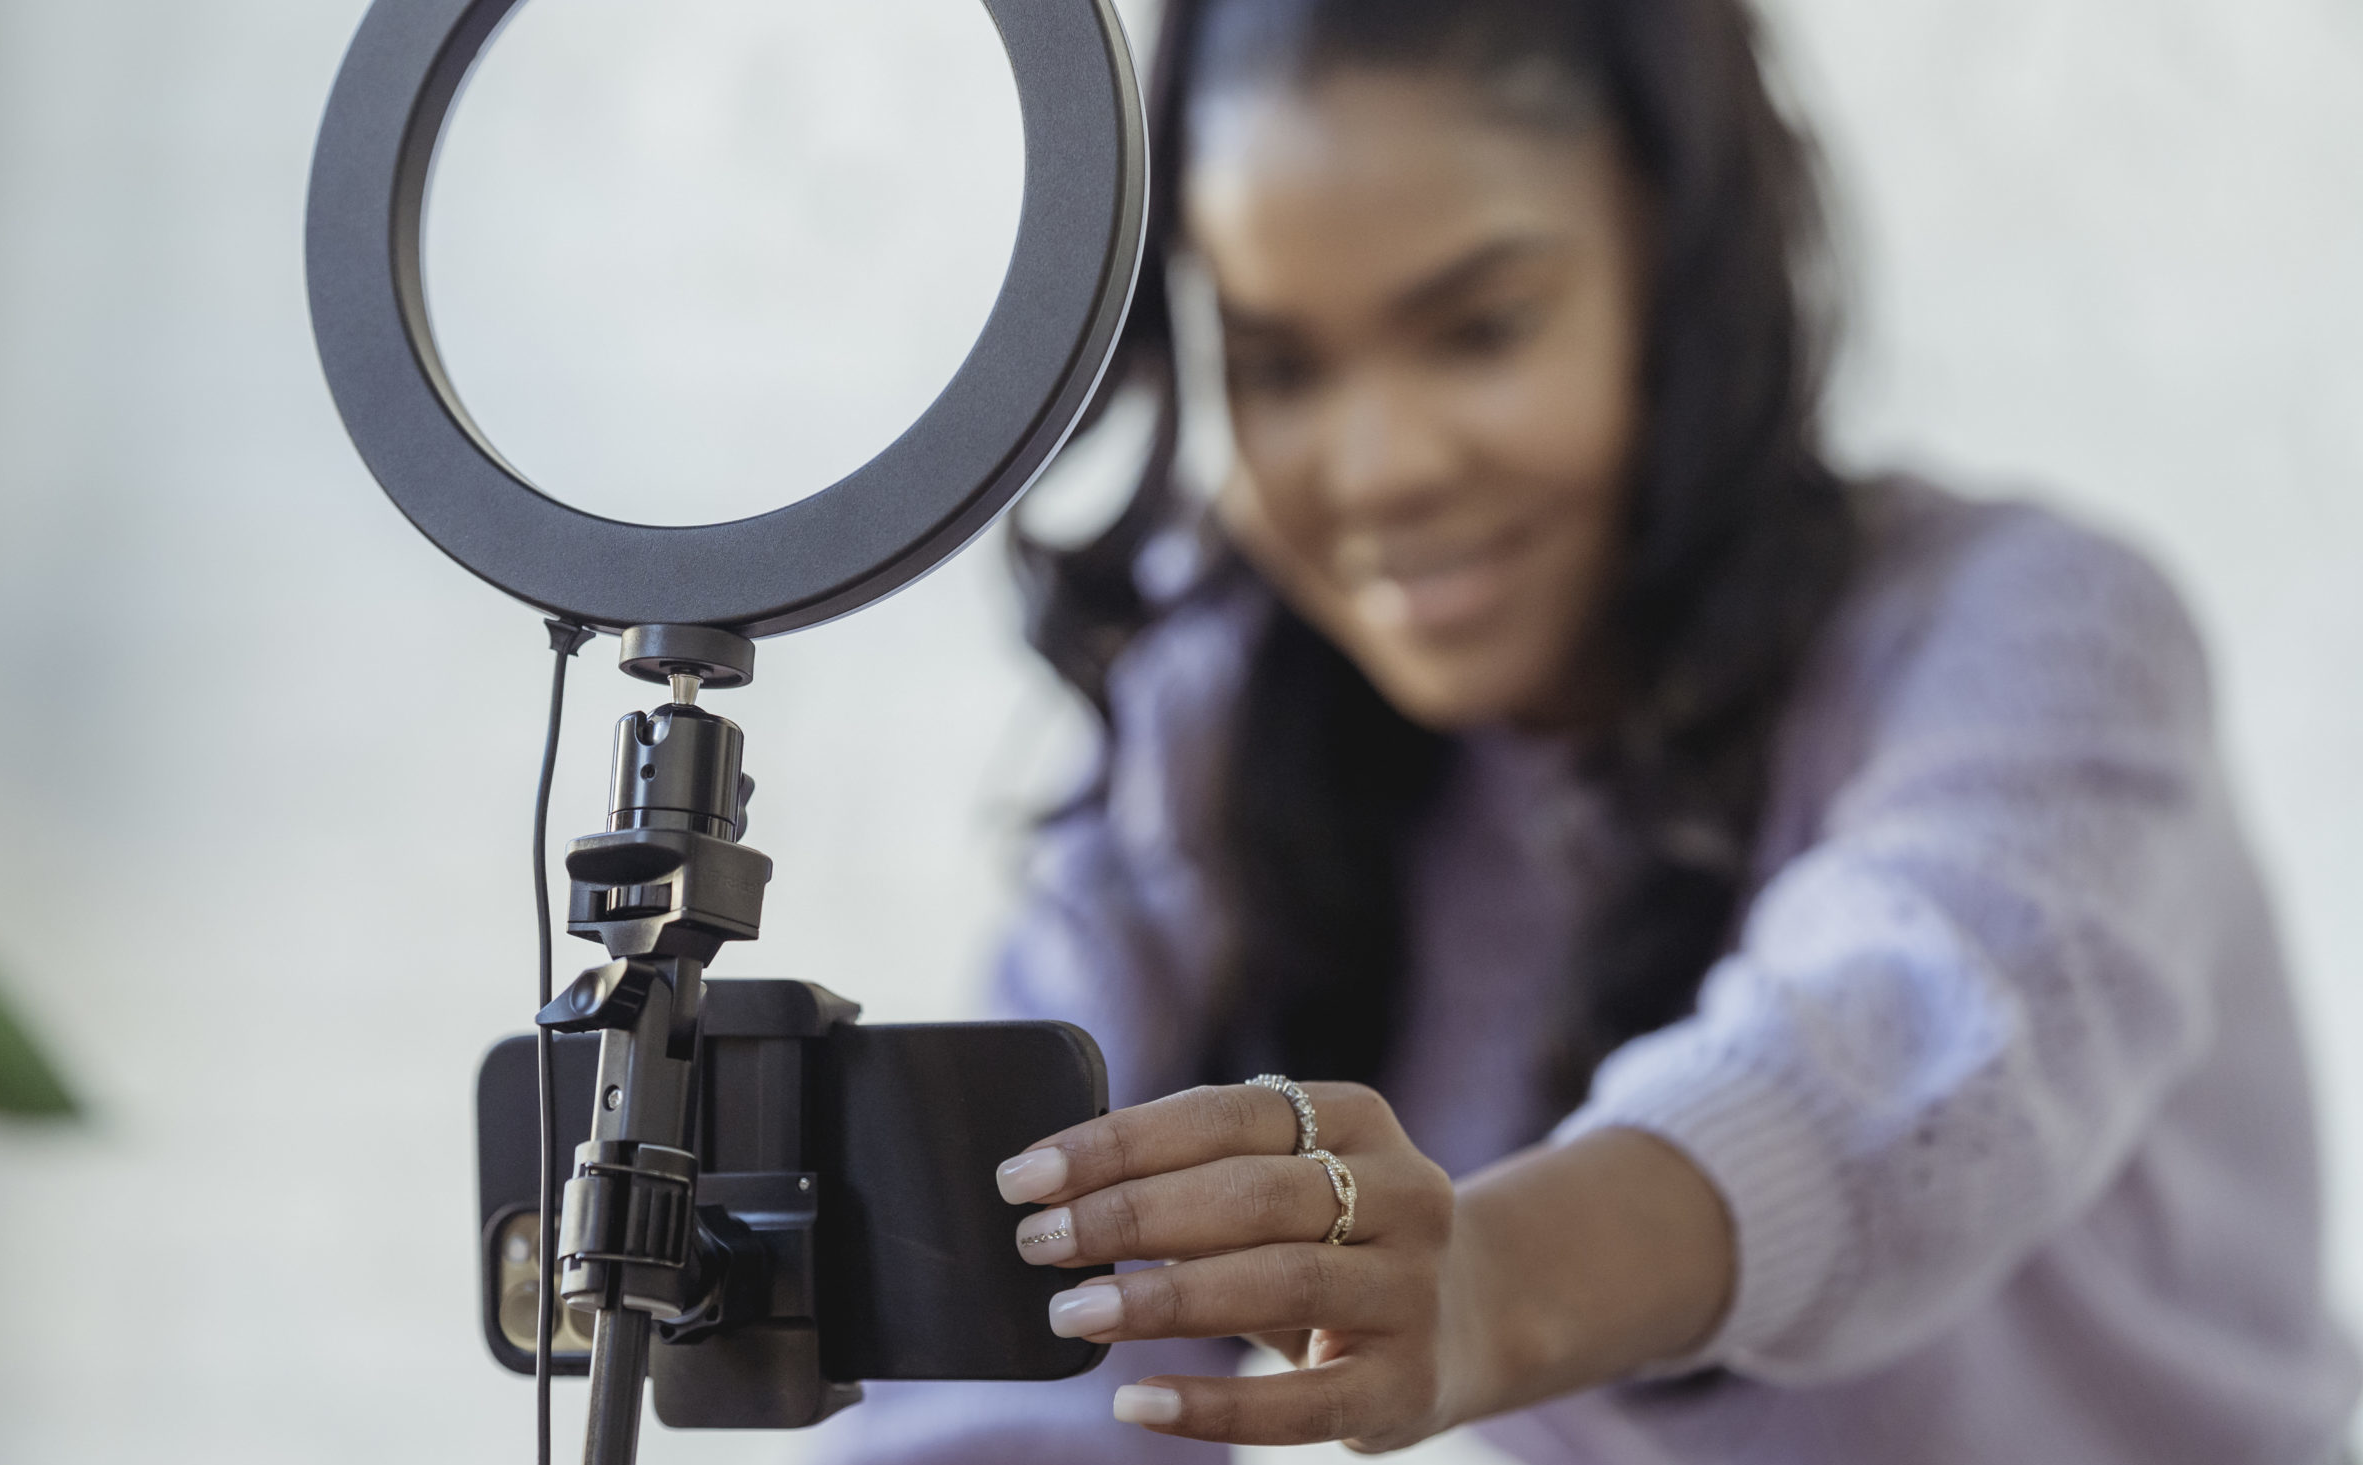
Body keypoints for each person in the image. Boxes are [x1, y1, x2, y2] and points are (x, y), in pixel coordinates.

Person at [813, 0, 2358, 1460]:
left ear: (1679, 275)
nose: (1378, 466)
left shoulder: (2039, 633)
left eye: (1480, 328)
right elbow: (1002, 1376)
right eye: (1278, 366)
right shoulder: (1212, 730)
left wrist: (1483, 1280)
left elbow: (1903, 1047)